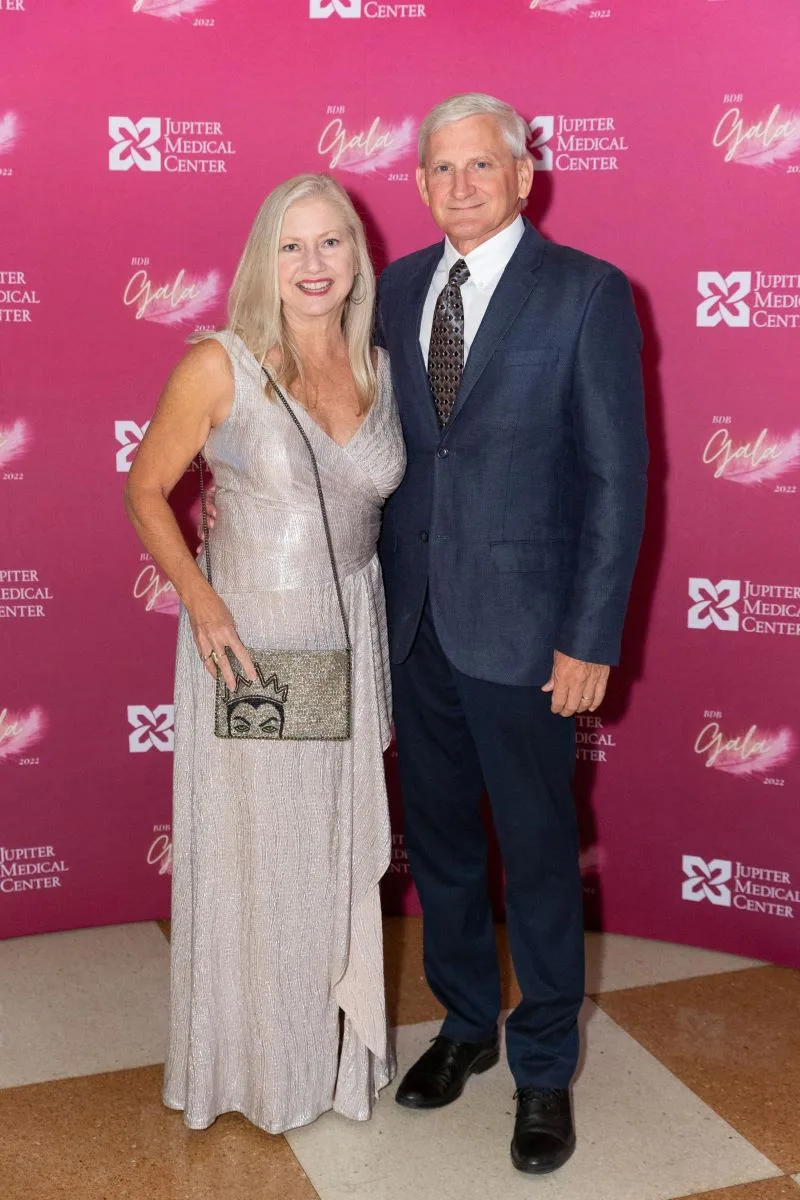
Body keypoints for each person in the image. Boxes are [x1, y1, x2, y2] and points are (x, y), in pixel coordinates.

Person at [376, 94, 648, 1174]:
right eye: (440, 169)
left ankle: (541, 1067)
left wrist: (590, 637)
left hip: (531, 638)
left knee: (535, 854)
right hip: (413, 625)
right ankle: (461, 1026)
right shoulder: (394, 289)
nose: (460, 186)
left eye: (480, 166)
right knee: (440, 843)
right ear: (419, 184)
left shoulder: (586, 292)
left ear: (524, 175)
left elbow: (617, 480)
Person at [124, 173, 405, 1134]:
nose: (313, 264)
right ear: (262, 260)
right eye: (291, 245)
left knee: (330, 850)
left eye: (331, 242)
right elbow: (145, 490)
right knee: (264, 856)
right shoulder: (222, 364)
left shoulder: (379, 366)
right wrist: (203, 603)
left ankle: (326, 1061)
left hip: (351, 631)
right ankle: (254, 1066)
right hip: (255, 641)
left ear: (357, 256)